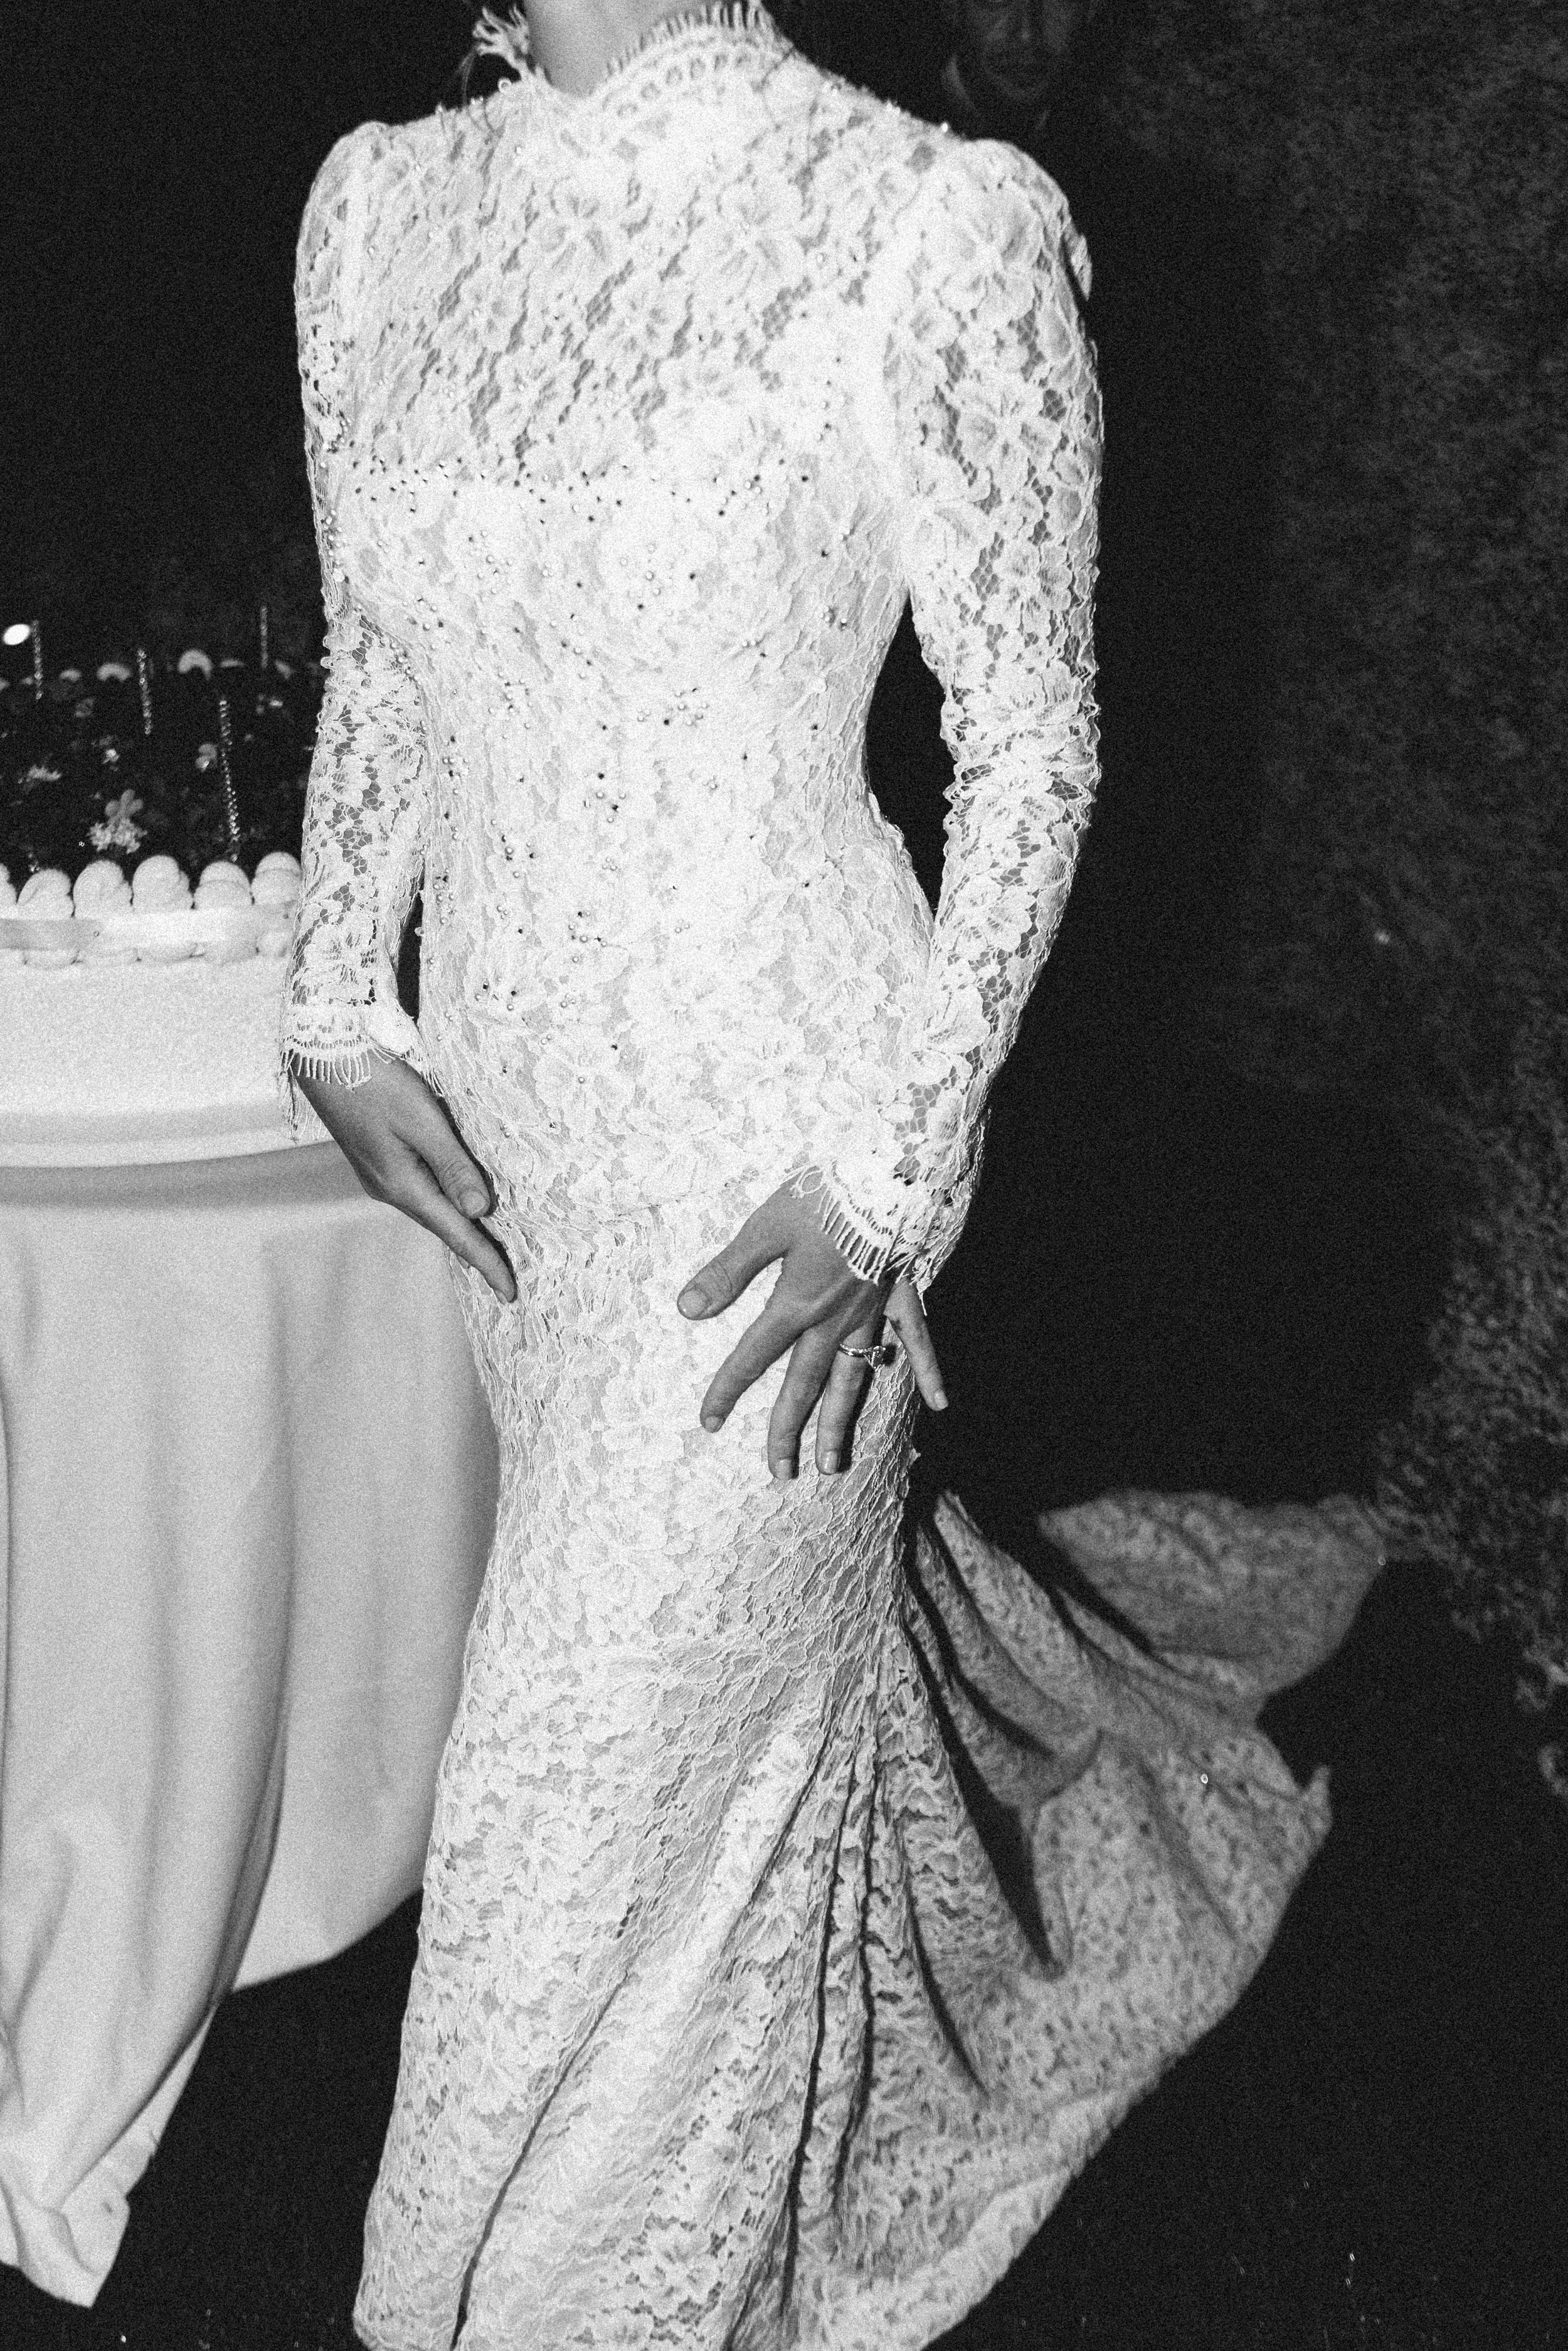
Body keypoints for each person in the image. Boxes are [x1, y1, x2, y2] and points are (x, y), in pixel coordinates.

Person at [282, 5, 1377, 2343]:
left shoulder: (924, 224)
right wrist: (334, 998)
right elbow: (382, 658)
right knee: (687, 1765)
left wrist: (893, 1172)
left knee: (562, 1784)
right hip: (526, 1149)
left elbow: (1031, 744)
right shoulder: (374, 213)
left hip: (777, 1130)